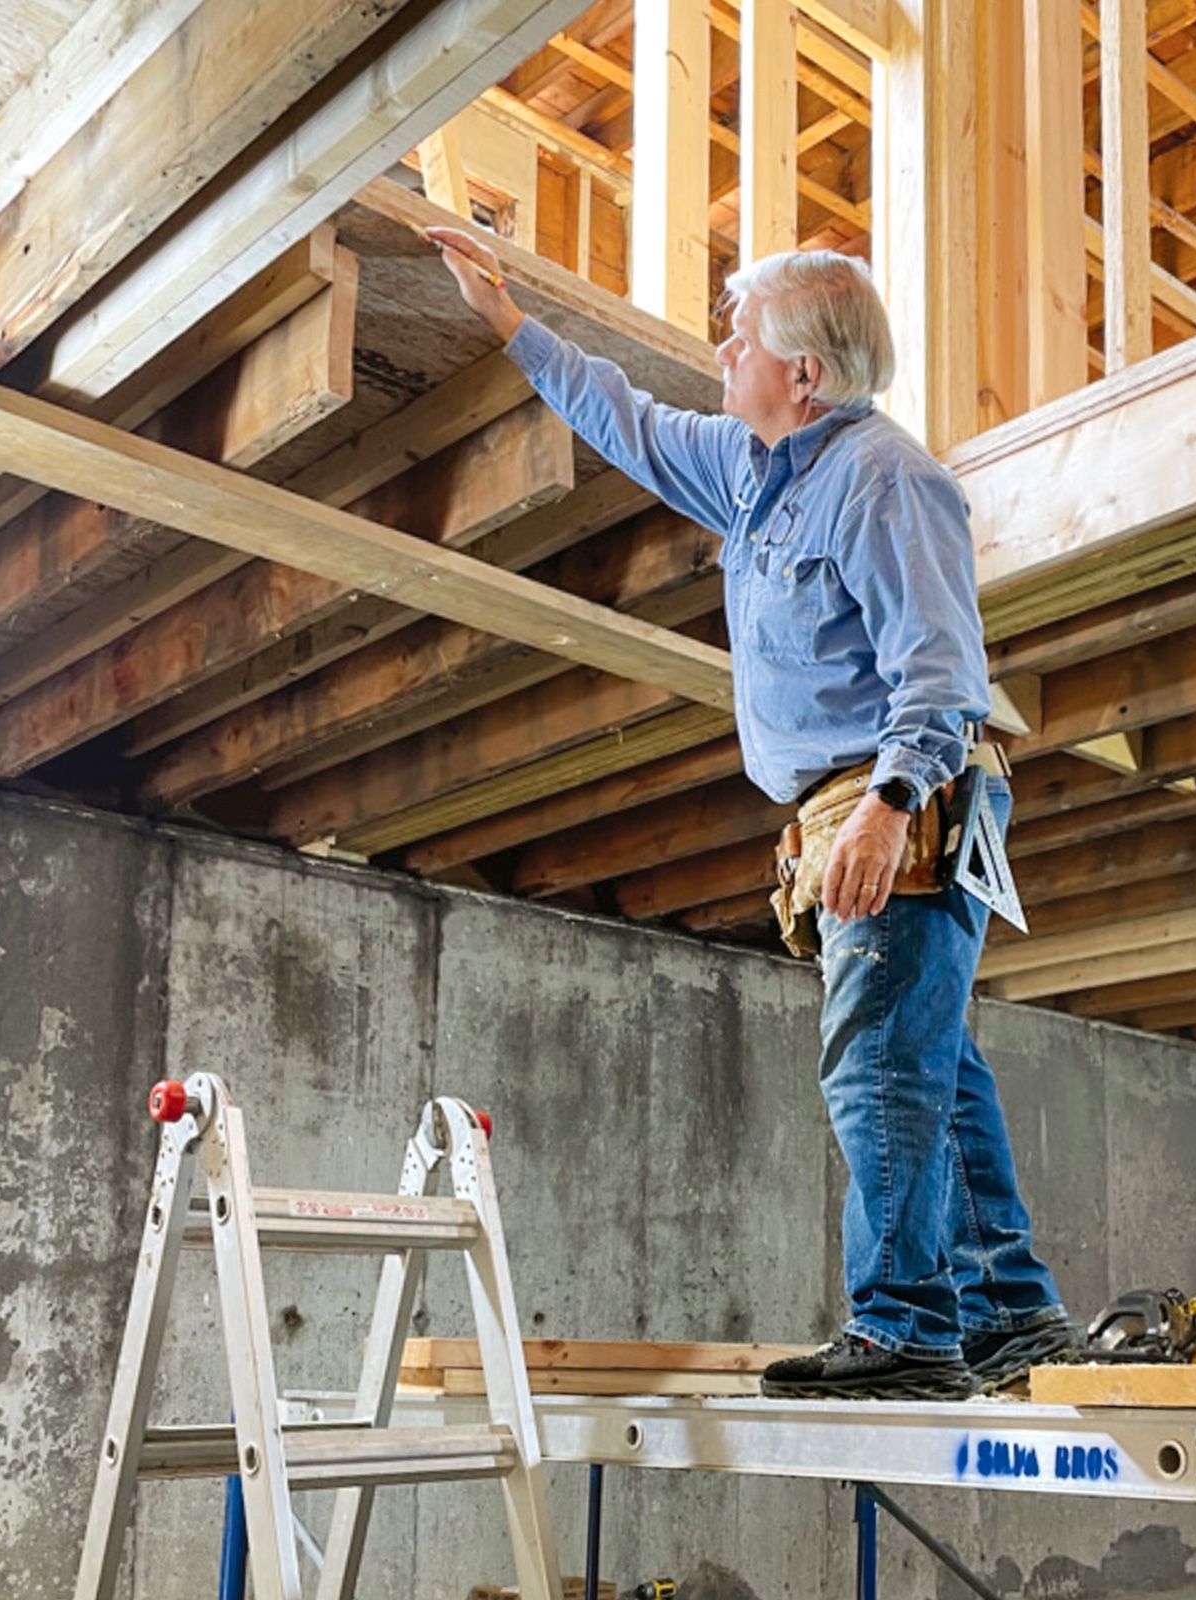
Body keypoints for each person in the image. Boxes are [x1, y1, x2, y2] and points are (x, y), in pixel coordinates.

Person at [426, 225, 1073, 1400]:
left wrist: (885, 808)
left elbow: (940, 673)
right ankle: (1009, 1309)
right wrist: (508, 321)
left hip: (900, 793)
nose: (721, 352)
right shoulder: (746, 470)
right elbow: (622, 416)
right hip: (849, 802)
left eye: (741, 338)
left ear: (805, 375)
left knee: (876, 1068)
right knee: (929, 1062)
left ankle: (906, 1328)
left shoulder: (888, 481)